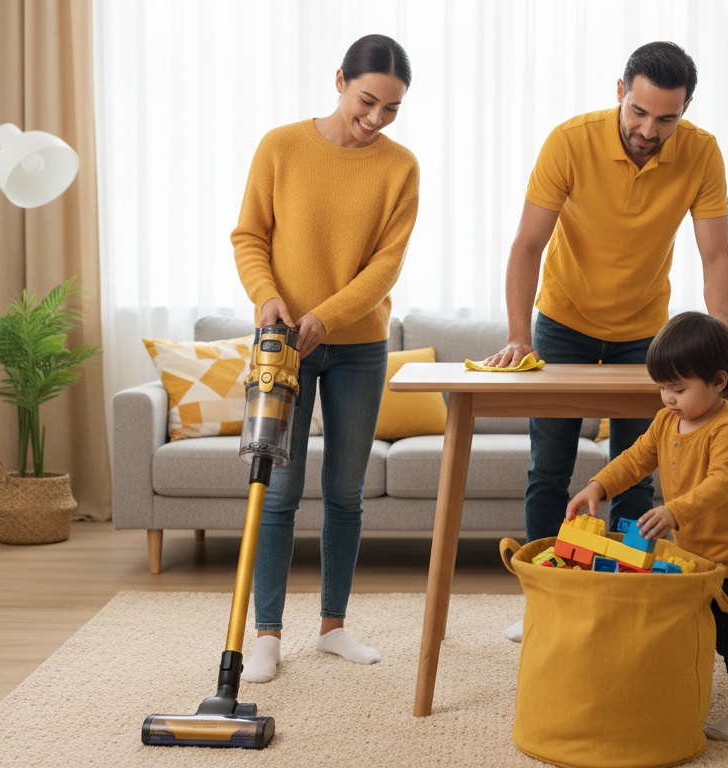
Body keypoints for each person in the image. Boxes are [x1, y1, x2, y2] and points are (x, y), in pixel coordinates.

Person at [486, 41, 728, 642]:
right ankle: (545, 601)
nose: (650, 130)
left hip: (645, 335)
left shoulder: (701, 153)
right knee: (550, 469)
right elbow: (527, 245)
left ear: (687, 110)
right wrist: (520, 337)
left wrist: (718, 342)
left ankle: (630, 596)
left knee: (639, 475)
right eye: (639, 113)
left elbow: (716, 254)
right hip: (562, 324)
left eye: (667, 119)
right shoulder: (569, 141)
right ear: (619, 91)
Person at [229, 33, 419, 684]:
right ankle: (266, 637)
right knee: (277, 493)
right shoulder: (281, 147)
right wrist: (268, 299)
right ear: (340, 79)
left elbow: (386, 266)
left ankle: (334, 627)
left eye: (390, 110)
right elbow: (249, 235)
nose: (375, 119)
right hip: (282, 343)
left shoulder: (401, 168)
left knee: (344, 492)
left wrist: (328, 316)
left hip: (359, 346)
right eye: (367, 101)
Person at [566, 311, 728, 741]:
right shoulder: (666, 421)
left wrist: (675, 511)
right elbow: (636, 460)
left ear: (718, 381)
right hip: (697, 551)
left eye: (678, 388)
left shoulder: (727, 431)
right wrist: (598, 486)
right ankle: (683, 693)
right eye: (662, 387)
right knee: (690, 627)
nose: (667, 398)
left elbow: (720, 485)